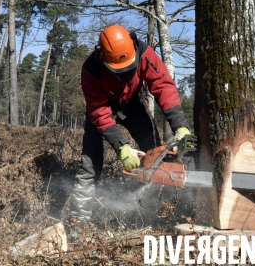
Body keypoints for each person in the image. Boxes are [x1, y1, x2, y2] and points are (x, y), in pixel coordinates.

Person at [70, 24, 194, 223]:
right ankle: (79, 220)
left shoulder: (144, 53)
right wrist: (122, 147)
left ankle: (157, 209)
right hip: (102, 109)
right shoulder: (91, 69)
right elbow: (100, 113)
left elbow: (163, 86)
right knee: (89, 165)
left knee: (156, 154)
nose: (124, 72)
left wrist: (180, 124)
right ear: (102, 57)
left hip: (133, 105)